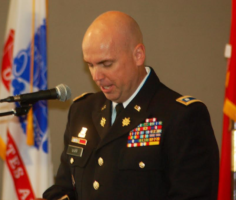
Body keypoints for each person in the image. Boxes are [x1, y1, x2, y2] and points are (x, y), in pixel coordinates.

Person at [43, 11, 219, 200]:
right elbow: (63, 188)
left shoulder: (180, 116)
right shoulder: (82, 111)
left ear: (138, 55)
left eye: (106, 64)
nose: (96, 76)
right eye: (90, 65)